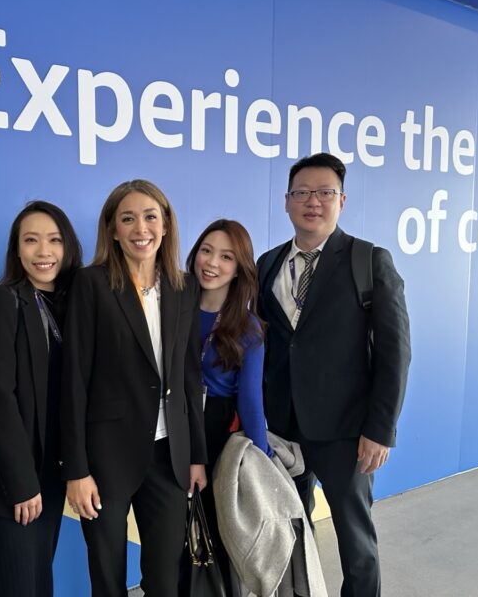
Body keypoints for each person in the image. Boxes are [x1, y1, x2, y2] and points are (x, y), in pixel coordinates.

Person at [256, 152, 411, 597]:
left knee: (355, 543)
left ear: (341, 200)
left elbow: (395, 352)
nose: (313, 201)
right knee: (288, 534)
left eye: (324, 192)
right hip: (282, 427)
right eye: (302, 192)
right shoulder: (267, 263)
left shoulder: (368, 260)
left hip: (347, 432)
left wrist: (380, 430)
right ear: (287, 201)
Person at [61, 179, 207, 596]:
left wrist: (197, 456)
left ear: (166, 225)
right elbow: (74, 380)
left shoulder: (183, 287)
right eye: (127, 219)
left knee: (164, 578)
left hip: (169, 455)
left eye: (150, 217)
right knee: (108, 577)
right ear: (112, 230)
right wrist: (76, 469)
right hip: (106, 457)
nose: (140, 228)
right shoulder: (91, 284)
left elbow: (189, 377)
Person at [0, 201, 82, 596]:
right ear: (17, 250)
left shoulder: (72, 306)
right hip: (14, 477)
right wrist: (20, 484)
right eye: (31, 240)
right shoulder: (4, 302)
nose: (43, 252)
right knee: (17, 587)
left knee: (39, 584)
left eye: (54, 240)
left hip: (52, 474)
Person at [186, 219, 271, 596]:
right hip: (170, 423)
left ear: (239, 268)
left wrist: (262, 459)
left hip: (215, 430)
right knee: (175, 532)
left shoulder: (248, 327)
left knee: (215, 532)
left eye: (226, 257)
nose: (212, 263)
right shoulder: (174, 305)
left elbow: (250, 401)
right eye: (206, 251)